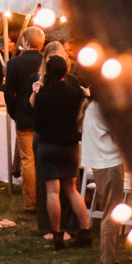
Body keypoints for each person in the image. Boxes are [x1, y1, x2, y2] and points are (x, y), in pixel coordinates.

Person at [30, 55, 92, 249]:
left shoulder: (43, 95)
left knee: (52, 191)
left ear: (47, 71)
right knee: (71, 189)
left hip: (48, 146)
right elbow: (87, 110)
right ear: (66, 71)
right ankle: (85, 230)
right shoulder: (75, 94)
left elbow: (37, 123)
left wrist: (35, 93)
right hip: (70, 146)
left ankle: (57, 234)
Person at [80, 94, 125, 264]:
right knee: (112, 212)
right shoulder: (103, 107)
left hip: (100, 163)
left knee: (109, 210)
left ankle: (110, 259)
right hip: (109, 163)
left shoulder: (88, 106)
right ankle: (107, 263)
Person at [5, 26, 46, 215]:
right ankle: (46, 198)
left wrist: (15, 113)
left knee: (28, 161)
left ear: (26, 42)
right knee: (42, 160)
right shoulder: (47, 62)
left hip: (24, 117)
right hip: (45, 118)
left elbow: (8, 94)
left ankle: (31, 203)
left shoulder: (14, 64)